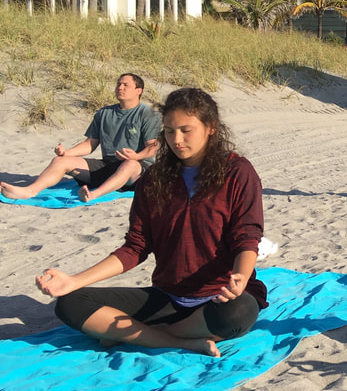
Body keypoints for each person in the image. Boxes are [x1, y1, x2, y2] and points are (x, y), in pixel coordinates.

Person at [35, 88, 267, 357]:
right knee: (71, 303)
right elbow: (135, 247)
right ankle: (178, 340)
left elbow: (247, 236)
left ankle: (138, 335)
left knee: (239, 313)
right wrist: (74, 280)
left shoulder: (237, 172)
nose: (176, 140)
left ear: (211, 128)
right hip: (167, 297)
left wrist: (240, 277)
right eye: (169, 131)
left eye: (186, 130)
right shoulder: (154, 180)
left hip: (218, 297)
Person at [1, 73, 161, 203]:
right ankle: (29, 191)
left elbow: (153, 146)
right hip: (107, 166)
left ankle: (94, 195)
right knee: (60, 161)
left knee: (130, 164)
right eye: (118, 84)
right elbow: (90, 144)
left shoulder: (147, 113)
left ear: (138, 90)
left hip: (137, 171)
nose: (120, 87)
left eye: (126, 85)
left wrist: (136, 156)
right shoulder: (104, 113)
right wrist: (66, 153)